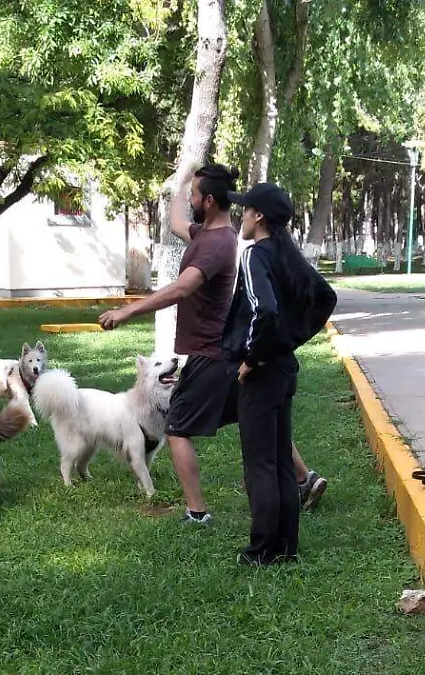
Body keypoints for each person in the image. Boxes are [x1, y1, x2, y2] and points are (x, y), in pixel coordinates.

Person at [99, 163, 242, 525]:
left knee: (177, 428)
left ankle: (196, 512)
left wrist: (128, 311)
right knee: (257, 417)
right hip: (222, 351)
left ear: (208, 201)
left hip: (210, 354)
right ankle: (305, 480)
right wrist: (182, 180)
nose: (190, 199)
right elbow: (178, 222)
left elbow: (181, 288)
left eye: (195, 194)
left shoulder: (217, 244)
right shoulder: (207, 234)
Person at [223, 182, 337, 565]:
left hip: (263, 373)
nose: (241, 216)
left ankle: (261, 552)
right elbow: (325, 298)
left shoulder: (255, 255)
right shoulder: (286, 254)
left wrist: (253, 358)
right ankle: (285, 547)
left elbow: (266, 311)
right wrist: (289, 342)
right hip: (283, 370)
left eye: (245, 210)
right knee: (280, 460)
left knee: (261, 464)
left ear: (259, 216)